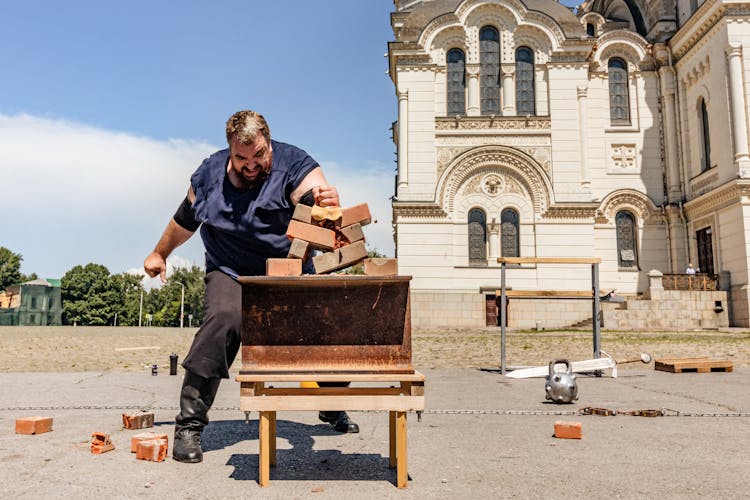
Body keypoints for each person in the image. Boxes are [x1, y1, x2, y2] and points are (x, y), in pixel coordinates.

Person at [144, 110, 359, 464]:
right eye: (241, 158)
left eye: (259, 155)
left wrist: (328, 203)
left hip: (286, 270)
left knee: (327, 327)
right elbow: (184, 219)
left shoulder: (295, 164)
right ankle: (189, 426)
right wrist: (159, 252)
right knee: (223, 320)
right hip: (230, 270)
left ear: (268, 143)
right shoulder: (209, 175)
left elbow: (317, 198)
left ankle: (332, 404)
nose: (251, 165)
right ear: (230, 150)